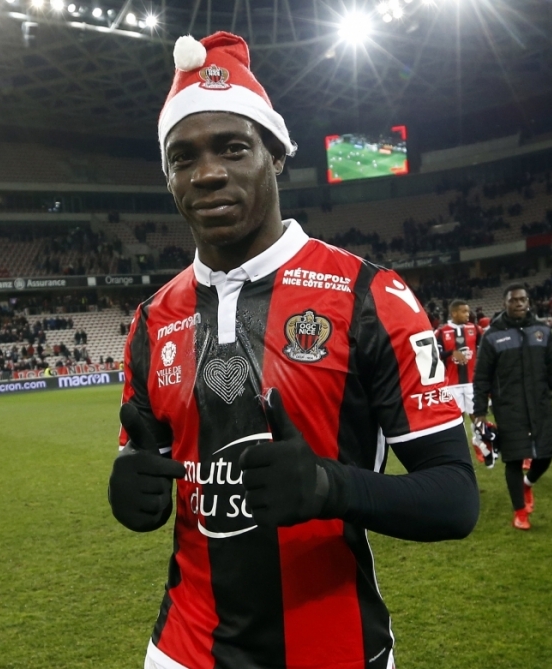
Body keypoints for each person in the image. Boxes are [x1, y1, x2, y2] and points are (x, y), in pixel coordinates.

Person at [107, 32, 478, 669]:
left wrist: (330, 486)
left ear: (275, 155)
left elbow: (454, 498)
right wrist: (132, 485)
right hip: (183, 651)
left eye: (233, 147)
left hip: (334, 649)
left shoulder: (370, 297)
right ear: (168, 176)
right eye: (182, 157)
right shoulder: (152, 320)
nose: (207, 173)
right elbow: (151, 462)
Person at [472, 285, 552, 531]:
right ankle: (520, 512)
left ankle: (528, 484)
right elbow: (482, 377)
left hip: (540, 403)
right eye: (514, 300)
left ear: (528, 302)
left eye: (523, 299)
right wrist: (480, 411)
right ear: (504, 304)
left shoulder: (542, 331)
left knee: (546, 455)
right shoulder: (492, 336)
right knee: (514, 459)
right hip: (509, 407)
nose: (519, 304)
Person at [436, 299, 492, 466]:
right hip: (452, 383)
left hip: (472, 382)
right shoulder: (441, 332)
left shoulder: (475, 329)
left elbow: (485, 351)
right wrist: (451, 353)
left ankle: (481, 445)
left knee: (477, 415)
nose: (468, 314)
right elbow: (435, 354)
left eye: (468, 311)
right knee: (456, 419)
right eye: (464, 311)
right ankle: (459, 452)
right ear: (454, 313)